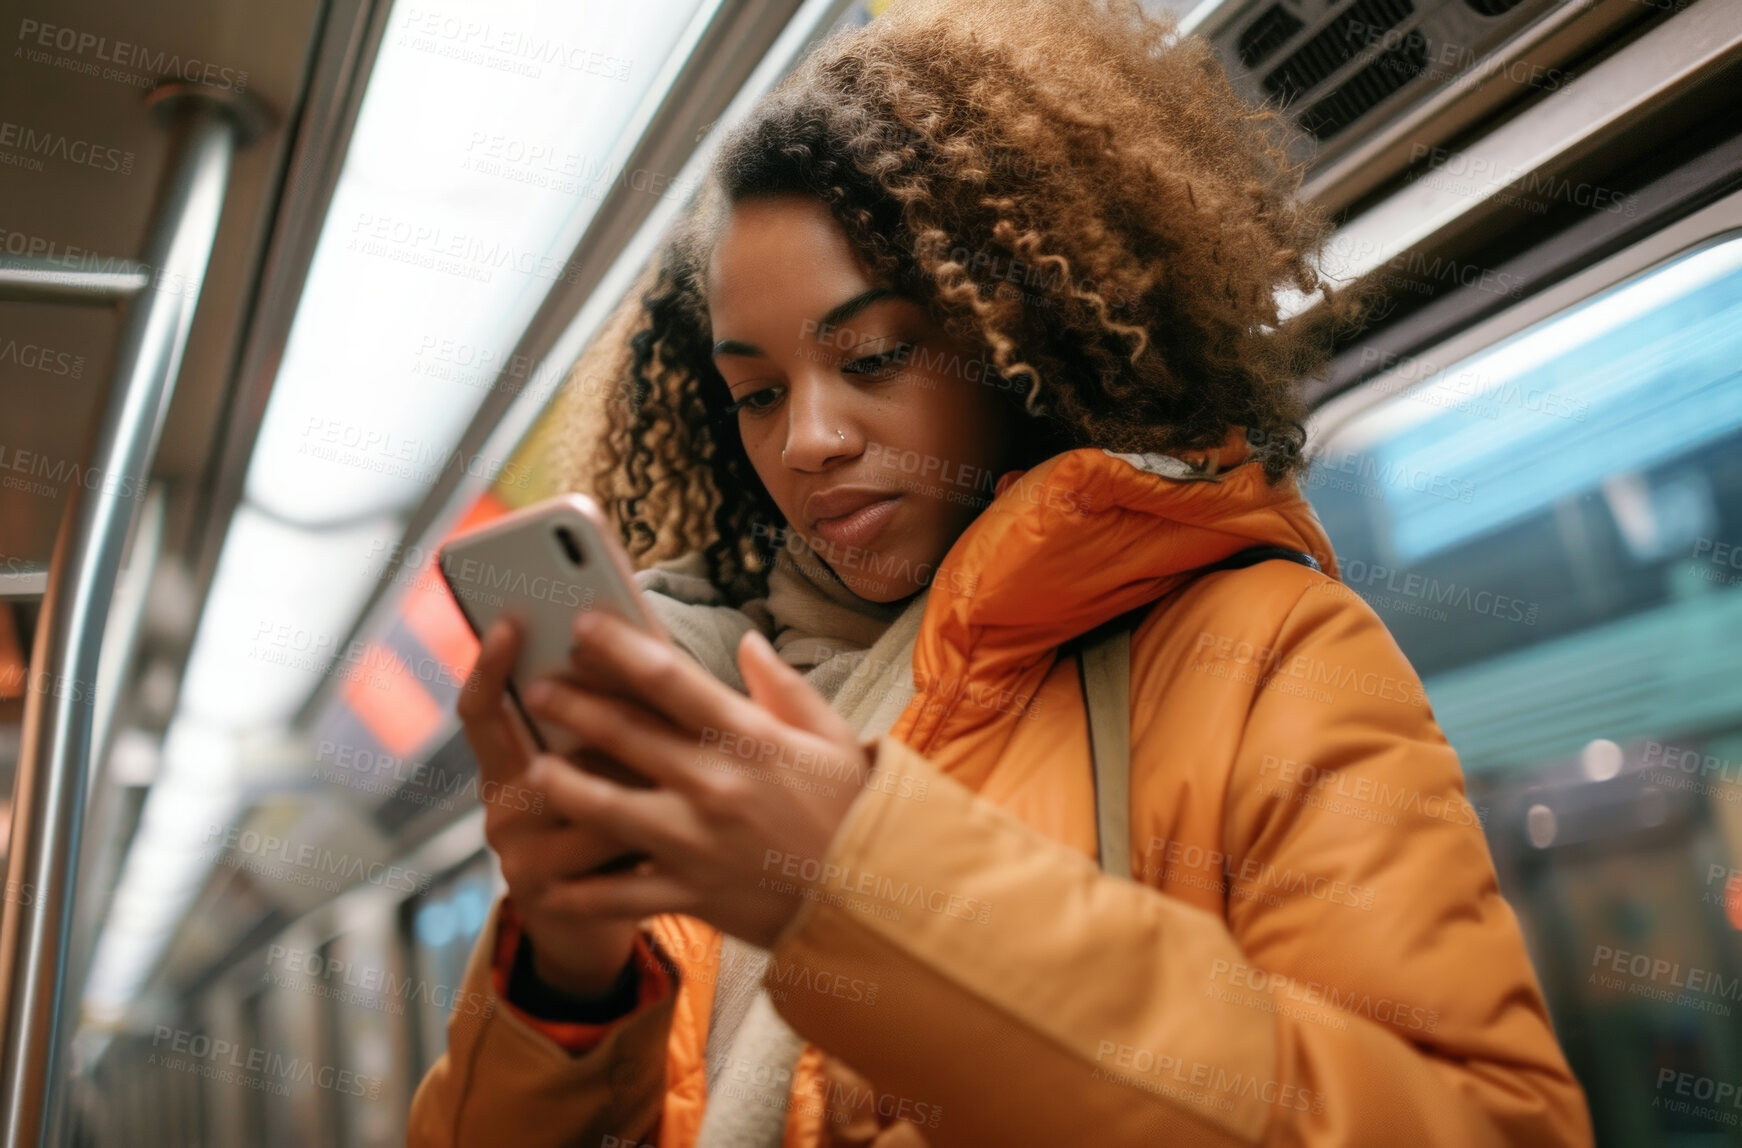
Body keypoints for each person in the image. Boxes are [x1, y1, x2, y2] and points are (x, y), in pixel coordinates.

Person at [409, 0, 1594, 1144]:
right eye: (756, 393)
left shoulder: (1260, 650)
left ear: (1010, 339)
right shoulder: (692, 726)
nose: (807, 438)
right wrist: (562, 975)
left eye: (870, 354)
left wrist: (865, 888)